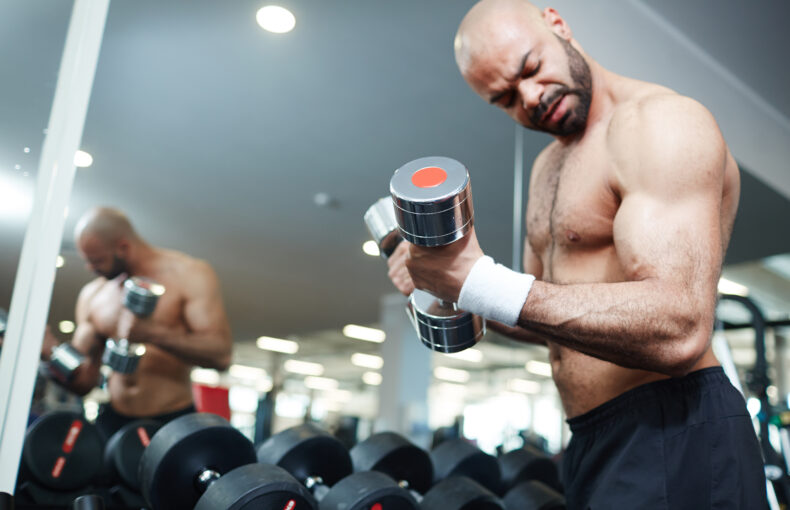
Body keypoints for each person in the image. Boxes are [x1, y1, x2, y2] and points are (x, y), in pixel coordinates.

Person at [387, 1, 767, 507]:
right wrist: (450, 285)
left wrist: (477, 280)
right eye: (504, 98)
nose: (530, 97)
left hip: (676, 425)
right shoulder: (548, 168)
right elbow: (539, 312)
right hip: (592, 437)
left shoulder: (659, 124)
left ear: (558, 25)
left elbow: (680, 326)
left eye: (530, 68)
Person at [41, 207, 232, 440]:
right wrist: (51, 354)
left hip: (171, 419)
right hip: (114, 419)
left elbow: (221, 355)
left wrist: (153, 334)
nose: (91, 269)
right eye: (88, 261)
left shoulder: (188, 274)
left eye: (98, 260)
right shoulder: (93, 295)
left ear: (123, 247)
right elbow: (84, 382)